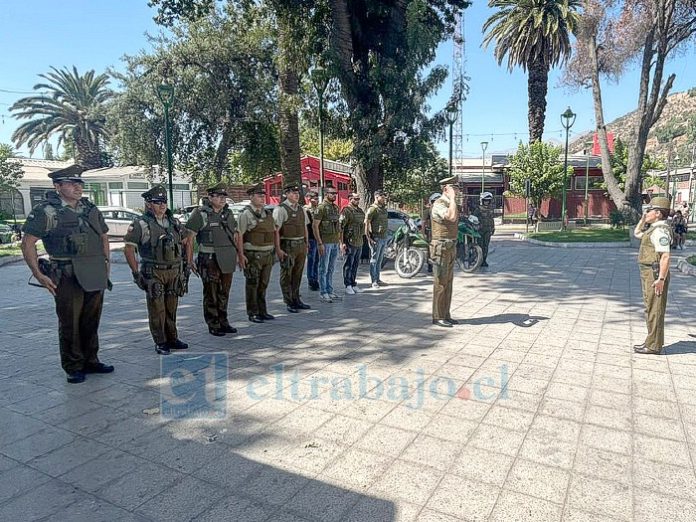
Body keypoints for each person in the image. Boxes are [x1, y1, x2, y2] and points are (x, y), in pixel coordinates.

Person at [21, 165, 114, 383]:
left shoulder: (90, 208)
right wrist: (38, 274)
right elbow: (28, 243)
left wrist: (106, 264)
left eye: (79, 183)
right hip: (66, 274)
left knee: (92, 320)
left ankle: (91, 360)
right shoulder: (46, 211)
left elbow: (104, 237)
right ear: (57, 186)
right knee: (69, 321)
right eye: (72, 183)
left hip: (94, 272)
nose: (78, 187)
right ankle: (73, 366)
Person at [124, 185, 190, 355]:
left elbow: (187, 240)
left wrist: (187, 264)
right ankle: (160, 341)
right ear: (148, 204)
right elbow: (129, 249)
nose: (162, 205)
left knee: (171, 306)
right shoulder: (141, 224)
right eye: (157, 202)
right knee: (157, 308)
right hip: (154, 271)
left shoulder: (174, 223)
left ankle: (172, 338)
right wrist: (135, 273)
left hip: (174, 271)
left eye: (164, 201)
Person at [184, 182, 239, 337]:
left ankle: (223, 321)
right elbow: (189, 239)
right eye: (219, 196)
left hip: (226, 257)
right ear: (210, 197)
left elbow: (234, 235)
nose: (222, 199)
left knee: (224, 291)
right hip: (208, 258)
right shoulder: (200, 213)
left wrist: (239, 255)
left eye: (224, 197)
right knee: (211, 292)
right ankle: (213, 323)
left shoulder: (227, 214)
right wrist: (189, 260)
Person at [633, 196, 672, 354]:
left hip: (655, 273)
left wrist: (661, 279)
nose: (646, 213)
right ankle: (652, 341)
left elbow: (666, 256)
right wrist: (643, 219)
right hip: (649, 272)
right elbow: (637, 233)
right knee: (650, 308)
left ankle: (653, 346)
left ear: (657, 213)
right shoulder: (653, 228)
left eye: (648, 211)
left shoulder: (660, 231)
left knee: (655, 309)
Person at [236, 183, 277, 322]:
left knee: (264, 284)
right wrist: (240, 255)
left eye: (263, 196)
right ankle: (253, 312)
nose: (262, 198)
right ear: (251, 197)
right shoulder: (245, 214)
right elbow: (239, 235)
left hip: (267, 254)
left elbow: (274, 232)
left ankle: (262, 310)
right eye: (259, 196)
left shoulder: (267, 213)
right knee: (252, 284)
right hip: (253, 255)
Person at [274, 185, 311, 313]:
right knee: (287, 274)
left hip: (300, 244)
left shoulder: (301, 209)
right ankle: (288, 301)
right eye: (293, 193)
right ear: (286, 194)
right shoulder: (281, 209)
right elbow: (276, 231)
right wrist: (278, 249)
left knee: (298, 273)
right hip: (288, 245)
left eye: (297, 192)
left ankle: (296, 298)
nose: (296, 195)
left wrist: (306, 242)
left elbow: (305, 227)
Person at [430, 178, 460, 328]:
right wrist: (453, 198)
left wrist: (453, 200)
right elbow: (451, 217)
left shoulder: (449, 204)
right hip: (440, 247)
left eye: (457, 188)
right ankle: (438, 316)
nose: (457, 191)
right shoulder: (439, 204)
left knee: (448, 283)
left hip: (450, 245)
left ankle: (446, 314)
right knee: (440, 283)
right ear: (445, 189)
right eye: (453, 188)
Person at [313, 186, 341, 302]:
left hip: (334, 241)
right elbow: (315, 226)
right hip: (325, 242)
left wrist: (339, 241)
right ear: (326, 194)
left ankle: (329, 290)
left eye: (335, 193)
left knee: (331, 268)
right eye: (332, 193)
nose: (334, 195)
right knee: (323, 268)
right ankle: (323, 292)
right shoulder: (321, 208)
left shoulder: (335, 207)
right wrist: (319, 243)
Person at [340, 192, 366, 295]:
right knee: (348, 265)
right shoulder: (346, 211)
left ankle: (353, 283)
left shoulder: (359, 211)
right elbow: (341, 228)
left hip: (358, 241)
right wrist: (341, 243)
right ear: (350, 199)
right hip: (349, 241)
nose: (357, 201)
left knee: (355, 264)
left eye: (358, 199)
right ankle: (348, 285)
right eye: (355, 199)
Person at [365, 189, 390, 288]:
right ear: (376, 197)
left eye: (384, 197)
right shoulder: (372, 209)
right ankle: (373, 281)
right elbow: (366, 223)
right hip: (376, 238)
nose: (384, 199)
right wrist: (369, 238)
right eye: (382, 197)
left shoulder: (383, 209)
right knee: (374, 260)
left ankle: (378, 278)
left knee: (379, 260)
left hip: (383, 237)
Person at [472, 191, 496, 267]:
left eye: (488, 201)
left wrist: (493, 228)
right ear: (482, 201)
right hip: (480, 231)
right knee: (480, 246)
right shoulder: (478, 209)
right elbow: (474, 219)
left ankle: (484, 261)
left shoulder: (491, 209)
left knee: (486, 246)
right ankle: (479, 260)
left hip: (487, 230)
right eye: (485, 200)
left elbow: (491, 219)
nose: (486, 202)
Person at [304, 191, 320, 291]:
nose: (317, 200)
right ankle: (311, 280)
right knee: (311, 260)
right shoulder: (306, 210)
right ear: (309, 199)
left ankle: (315, 278)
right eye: (315, 198)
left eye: (317, 198)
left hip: (317, 238)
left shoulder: (317, 209)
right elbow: (306, 226)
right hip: (310, 237)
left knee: (317, 260)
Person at [422, 194, 439, 273]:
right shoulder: (428, 211)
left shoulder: (442, 210)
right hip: (431, 232)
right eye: (434, 201)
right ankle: (430, 266)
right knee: (431, 249)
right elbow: (423, 222)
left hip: (440, 233)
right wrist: (423, 233)